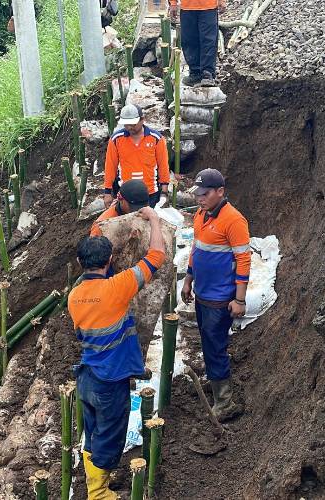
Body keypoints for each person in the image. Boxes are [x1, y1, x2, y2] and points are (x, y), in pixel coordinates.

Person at [70, 207, 166, 500]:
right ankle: (99, 495)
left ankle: (95, 485)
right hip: (109, 382)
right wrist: (153, 220)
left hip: (87, 377)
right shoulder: (118, 287)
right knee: (109, 439)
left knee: (94, 434)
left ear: (79, 262)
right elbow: (156, 257)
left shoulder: (75, 296)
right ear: (110, 260)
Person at [181, 168, 250, 421]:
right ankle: (216, 380)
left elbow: (243, 260)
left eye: (205, 194)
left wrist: (239, 299)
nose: (200, 198)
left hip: (220, 297)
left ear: (220, 192)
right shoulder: (201, 215)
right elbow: (196, 248)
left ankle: (225, 401)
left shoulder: (234, 220)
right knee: (208, 342)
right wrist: (188, 279)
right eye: (198, 194)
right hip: (202, 292)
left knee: (215, 346)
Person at [104, 104, 170, 209]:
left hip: (150, 193)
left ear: (142, 120)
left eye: (133, 124)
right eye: (126, 124)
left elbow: (163, 166)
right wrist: (107, 192)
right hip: (126, 195)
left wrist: (164, 192)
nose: (129, 127)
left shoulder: (156, 138)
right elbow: (110, 166)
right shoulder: (116, 139)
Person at [169, 0, 226, 86]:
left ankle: (207, 74)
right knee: (189, 40)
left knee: (208, 40)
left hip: (208, 7)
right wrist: (173, 3)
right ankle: (195, 73)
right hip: (187, 7)